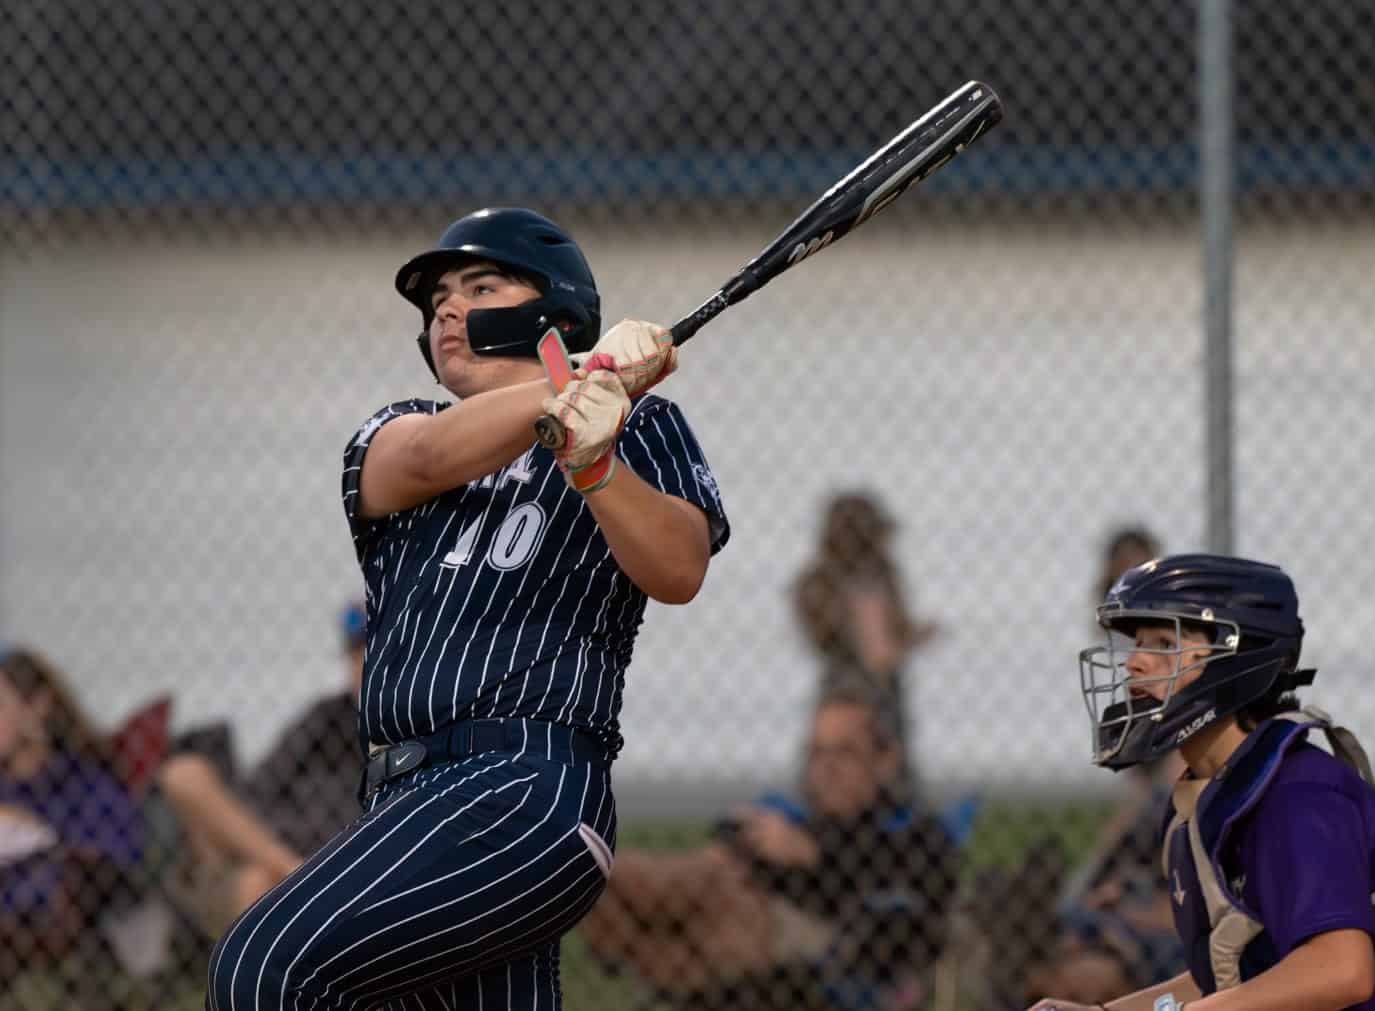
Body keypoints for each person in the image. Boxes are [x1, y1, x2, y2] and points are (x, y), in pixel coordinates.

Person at [206, 207, 729, 1010]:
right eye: (437, 298)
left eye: (479, 286)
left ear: (550, 311)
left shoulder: (637, 421)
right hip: (401, 801)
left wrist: (595, 466)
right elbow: (423, 457)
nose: (446, 308)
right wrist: (571, 381)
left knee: (267, 964)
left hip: (524, 785)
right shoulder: (398, 430)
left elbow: (677, 565)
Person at [1026, 554, 1375, 1011]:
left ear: (1234, 658)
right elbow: (1227, 982)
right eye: (1136, 643)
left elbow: (1342, 969)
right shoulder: (1213, 795)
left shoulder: (1296, 793)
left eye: (1163, 641)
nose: (1134, 662)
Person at [580, 689, 960, 1010]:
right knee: (677, 892)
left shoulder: (914, 832)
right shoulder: (802, 816)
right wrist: (757, 839)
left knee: (694, 895)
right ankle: (592, 869)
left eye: (843, 753)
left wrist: (811, 856)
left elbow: (911, 894)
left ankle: (593, 869)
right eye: (817, 753)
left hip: (804, 941)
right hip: (731, 909)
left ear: (885, 760)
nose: (825, 767)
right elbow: (731, 832)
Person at [0, 646, 146, 996]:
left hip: (48, 927)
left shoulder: (81, 780)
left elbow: (120, 857)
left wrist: (39, 835)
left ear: (37, 707)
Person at [793, 492, 938, 773]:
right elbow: (875, 650)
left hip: (867, 685)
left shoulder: (880, 576)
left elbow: (890, 638)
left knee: (875, 760)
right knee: (852, 761)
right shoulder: (839, 580)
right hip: (853, 684)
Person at [241, 601, 370, 858]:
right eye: (355, 655)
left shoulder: (417, 722)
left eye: (370, 652)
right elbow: (260, 786)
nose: (362, 665)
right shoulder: (326, 717)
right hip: (300, 850)